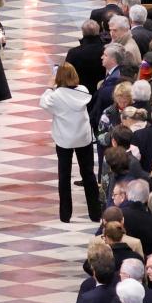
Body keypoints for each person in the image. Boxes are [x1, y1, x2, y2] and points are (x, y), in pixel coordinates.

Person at [42, 62, 102, 223]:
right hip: (83, 137)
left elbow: (43, 102)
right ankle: (95, 213)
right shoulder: (83, 91)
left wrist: (49, 87)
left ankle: (65, 214)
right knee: (88, 174)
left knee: (64, 175)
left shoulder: (56, 95)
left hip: (64, 139)